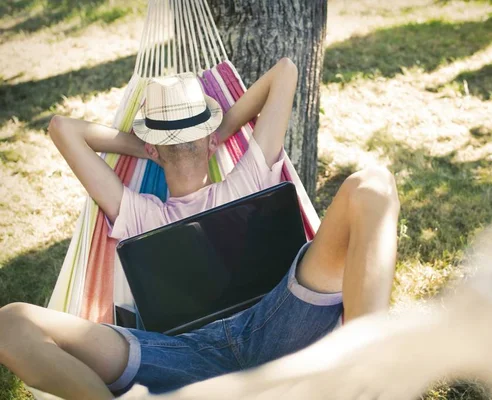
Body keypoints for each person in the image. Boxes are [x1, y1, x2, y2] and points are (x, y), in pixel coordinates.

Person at [0, 58, 400, 400]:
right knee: (11, 323)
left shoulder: (143, 208)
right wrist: (213, 135)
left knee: (372, 184)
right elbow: (284, 72)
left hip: (278, 319)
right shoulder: (236, 179)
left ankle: (370, 366)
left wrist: (153, 147)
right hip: (182, 355)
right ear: (209, 140)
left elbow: (63, 129)